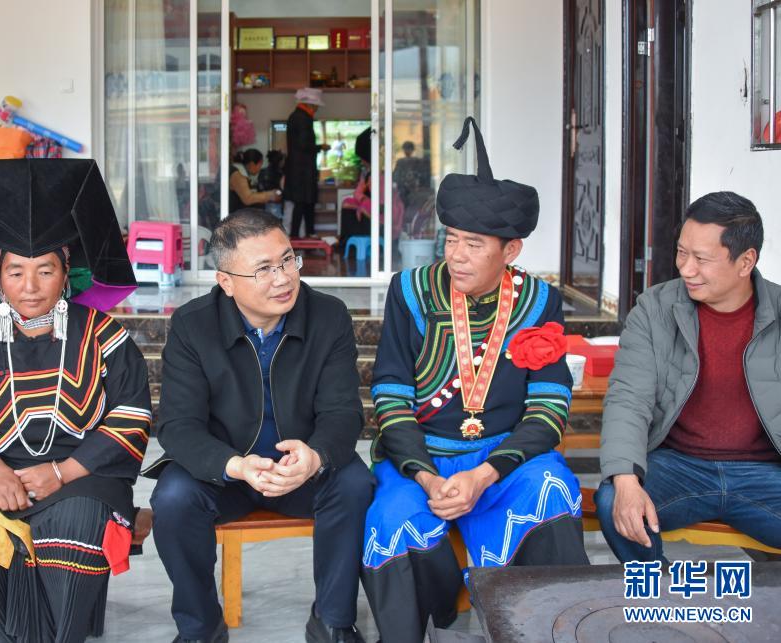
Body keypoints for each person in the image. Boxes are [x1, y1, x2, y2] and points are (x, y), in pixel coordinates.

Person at [362, 118, 589, 642]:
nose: (456, 255)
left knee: (552, 491)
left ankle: (545, 631)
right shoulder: (410, 291)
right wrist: (428, 478)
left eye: (473, 244)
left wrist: (484, 474)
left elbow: (549, 408)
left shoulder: (539, 301)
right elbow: (390, 396)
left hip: (505, 462)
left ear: (510, 251)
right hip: (422, 460)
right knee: (390, 520)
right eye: (451, 239)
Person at [0, 158, 150, 643]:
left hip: (81, 478)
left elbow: (130, 418)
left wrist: (61, 473)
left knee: (75, 520)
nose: (29, 287)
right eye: (16, 271)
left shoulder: (104, 335)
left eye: (44, 270)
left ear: (66, 273)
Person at [147, 209, 374, 643]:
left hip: (302, 473)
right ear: (226, 282)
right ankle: (200, 628)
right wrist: (235, 465)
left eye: (288, 260)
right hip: (226, 476)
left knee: (354, 484)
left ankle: (333, 621)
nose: (283, 278)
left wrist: (315, 456)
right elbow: (178, 426)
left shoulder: (328, 316)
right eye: (264, 269)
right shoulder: (194, 325)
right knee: (173, 498)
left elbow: (343, 412)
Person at [595, 191, 781, 562]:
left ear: (746, 261)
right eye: (682, 253)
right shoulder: (655, 309)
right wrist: (625, 478)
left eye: (701, 259)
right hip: (678, 467)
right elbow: (628, 398)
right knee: (614, 500)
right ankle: (661, 593)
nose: (686, 269)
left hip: (765, 474)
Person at [283, 88, 330, 238]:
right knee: (303, 202)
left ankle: (304, 235)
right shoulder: (303, 119)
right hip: (303, 170)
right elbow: (303, 145)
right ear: (309, 104)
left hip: (297, 169)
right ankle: (300, 236)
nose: (317, 109)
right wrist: (320, 147)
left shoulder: (295, 116)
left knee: (303, 203)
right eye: (316, 106)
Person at [229, 149, 280, 214]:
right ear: (252, 164)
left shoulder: (240, 172)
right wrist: (270, 195)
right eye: (260, 164)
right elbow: (248, 198)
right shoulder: (238, 175)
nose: (260, 168)